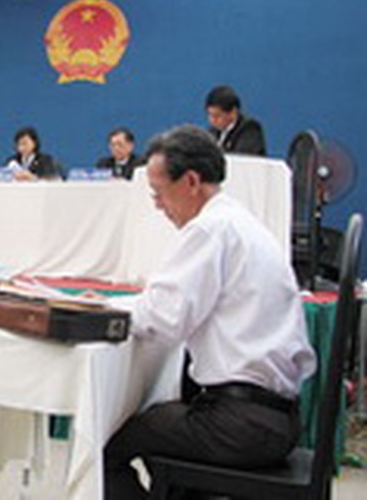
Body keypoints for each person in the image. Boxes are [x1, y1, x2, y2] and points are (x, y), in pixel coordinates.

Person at [103, 125, 316, 499]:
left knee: (110, 448)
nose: (157, 205)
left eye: (158, 193)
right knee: (161, 429)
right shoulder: (240, 221)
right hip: (274, 418)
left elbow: (163, 318)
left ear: (190, 182)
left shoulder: (209, 230)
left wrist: (105, 308)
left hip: (241, 424)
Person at [205, 85, 266, 156]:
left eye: (218, 116)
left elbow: (241, 157)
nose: (213, 120)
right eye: (210, 114)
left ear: (233, 113)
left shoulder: (250, 129)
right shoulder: (212, 132)